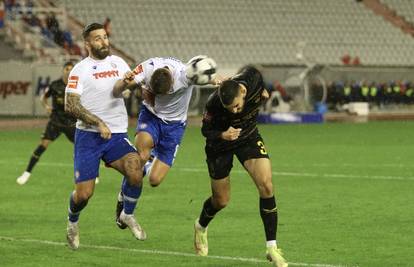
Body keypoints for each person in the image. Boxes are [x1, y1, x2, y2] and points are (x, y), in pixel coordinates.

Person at [193, 65, 288, 267]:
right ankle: (201, 226)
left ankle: (272, 247)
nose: (235, 111)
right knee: (222, 200)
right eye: (231, 109)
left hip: (248, 136)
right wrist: (222, 134)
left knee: (267, 185)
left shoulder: (252, 80)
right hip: (220, 145)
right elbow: (205, 130)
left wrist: (263, 93)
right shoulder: (214, 103)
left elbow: (256, 77)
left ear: (243, 92)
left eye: (237, 106)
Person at [64, 23, 145, 250]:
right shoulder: (79, 69)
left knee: (135, 169)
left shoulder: (118, 62)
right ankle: (72, 221)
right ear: (87, 44)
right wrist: (97, 122)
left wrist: (132, 84)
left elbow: (125, 88)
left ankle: (127, 214)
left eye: (105, 37)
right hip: (89, 137)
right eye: (98, 39)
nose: (104, 42)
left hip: (116, 134)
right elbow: (70, 105)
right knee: (84, 195)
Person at [112, 56, 203, 230]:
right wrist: (126, 85)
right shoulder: (147, 68)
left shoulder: (184, 75)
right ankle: (123, 200)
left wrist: (217, 80)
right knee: (140, 159)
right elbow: (128, 82)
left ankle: (150, 162)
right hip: (151, 117)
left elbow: (204, 74)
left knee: (154, 180)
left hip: (175, 127)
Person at [16, 61, 76, 185]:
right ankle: (27, 173)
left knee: (83, 148)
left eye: (71, 69)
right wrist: (47, 107)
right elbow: (43, 97)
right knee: (42, 146)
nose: (69, 71)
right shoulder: (55, 85)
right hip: (55, 121)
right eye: (67, 69)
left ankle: (90, 175)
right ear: (63, 70)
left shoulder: (77, 86)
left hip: (71, 123)